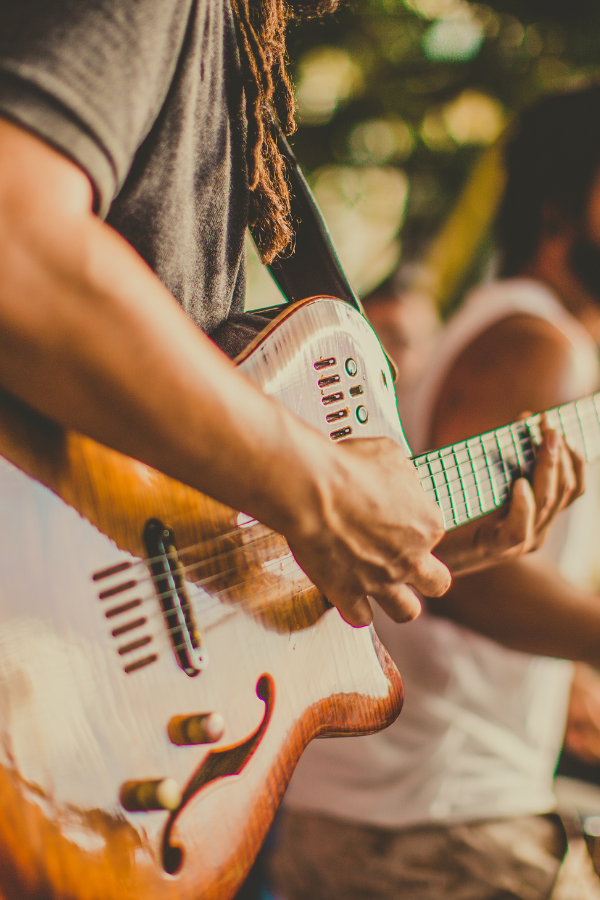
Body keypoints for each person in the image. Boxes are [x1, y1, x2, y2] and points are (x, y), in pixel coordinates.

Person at [0, 1, 576, 632]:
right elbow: (16, 240)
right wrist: (322, 488)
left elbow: (161, 459)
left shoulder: (231, 46)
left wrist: (411, 541)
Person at [265, 86, 600, 900]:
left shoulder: (517, 330)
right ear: (559, 211)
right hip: (434, 823)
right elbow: (439, 562)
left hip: (391, 808)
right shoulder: (536, 342)